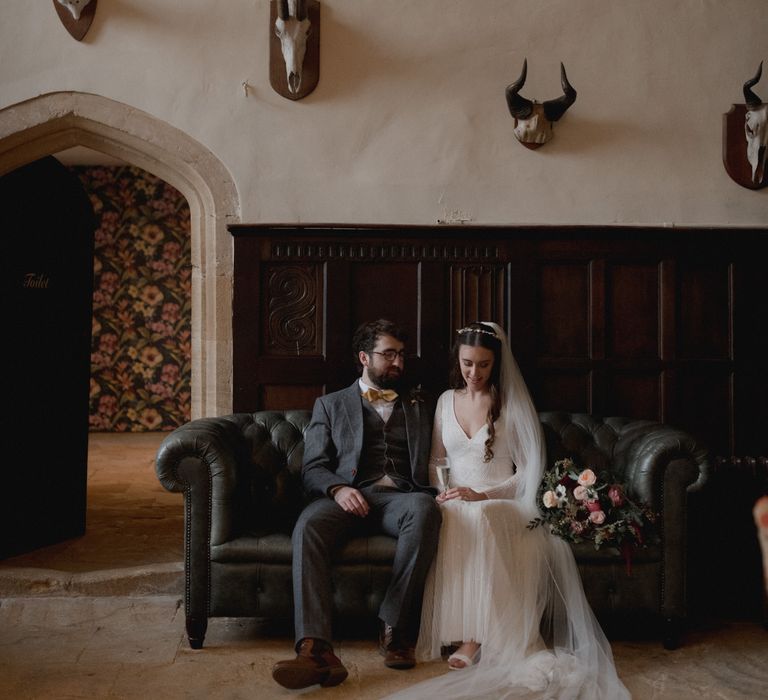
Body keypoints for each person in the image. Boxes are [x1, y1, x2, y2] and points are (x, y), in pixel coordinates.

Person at [386, 322, 630, 700]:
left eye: (483, 365)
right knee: (446, 514)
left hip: (501, 501)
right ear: (458, 360)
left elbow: (526, 474)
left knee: (476, 516)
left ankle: (476, 639)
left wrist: (481, 496)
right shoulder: (444, 401)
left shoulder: (510, 404)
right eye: (467, 363)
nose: (474, 373)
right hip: (458, 496)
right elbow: (437, 457)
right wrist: (444, 490)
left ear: (496, 364)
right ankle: (463, 629)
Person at [272, 319, 442, 690]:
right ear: (364, 357)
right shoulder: (330, 405)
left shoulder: (421, 404)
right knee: (309, 525)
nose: (397, 362)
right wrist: (337, 489)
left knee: (426, 510)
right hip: (346, 497)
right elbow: (313, 467)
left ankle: (395, 629)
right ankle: (315, 648)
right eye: (388, 354)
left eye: (400, 355)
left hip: (401, 498)